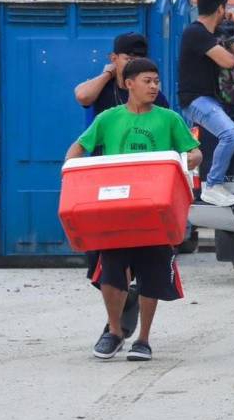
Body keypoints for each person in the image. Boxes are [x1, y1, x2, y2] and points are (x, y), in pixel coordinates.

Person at [65, 57, 202, 361]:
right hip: (116, 209)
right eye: (147, 81)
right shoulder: (108, 119)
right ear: (129, 84)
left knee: (152, 273)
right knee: (111, 274)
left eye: (157, 81)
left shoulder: (169, 119)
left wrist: (192, 158)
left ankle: (144, 339)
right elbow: (79, 146)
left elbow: (193, 151)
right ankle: (114, 332)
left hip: (156, 209)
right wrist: (69, 167)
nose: (154, 86)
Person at [179, 0, 234, 207]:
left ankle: (214, 184)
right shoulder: (196, 32)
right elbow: (230, 62)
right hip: (194, 100)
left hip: (210, 99)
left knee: (225, 136)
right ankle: (212, 185)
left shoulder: (213, 34)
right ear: (221, 8)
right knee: (231, 134)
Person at [74, 32, 170, 117]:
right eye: (129, 59)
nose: (135, 65)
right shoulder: (104, 87)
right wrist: (108, 73)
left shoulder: (150, 91)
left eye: (140, 60)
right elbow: (83, 97)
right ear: (114, 58)